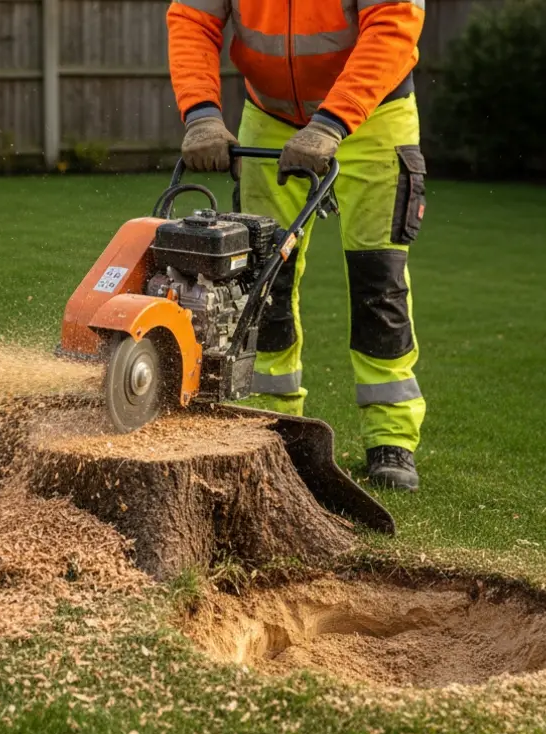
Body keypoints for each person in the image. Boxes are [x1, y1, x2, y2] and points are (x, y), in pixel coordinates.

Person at [166, 0, 429, 491]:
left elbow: (393, 24)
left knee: (379, 278)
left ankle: (391, 438)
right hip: (271, 116)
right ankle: (271, 422)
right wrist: (201, 113)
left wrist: (331, 122)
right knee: (263, 279)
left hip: (375, 115)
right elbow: (192, 18)